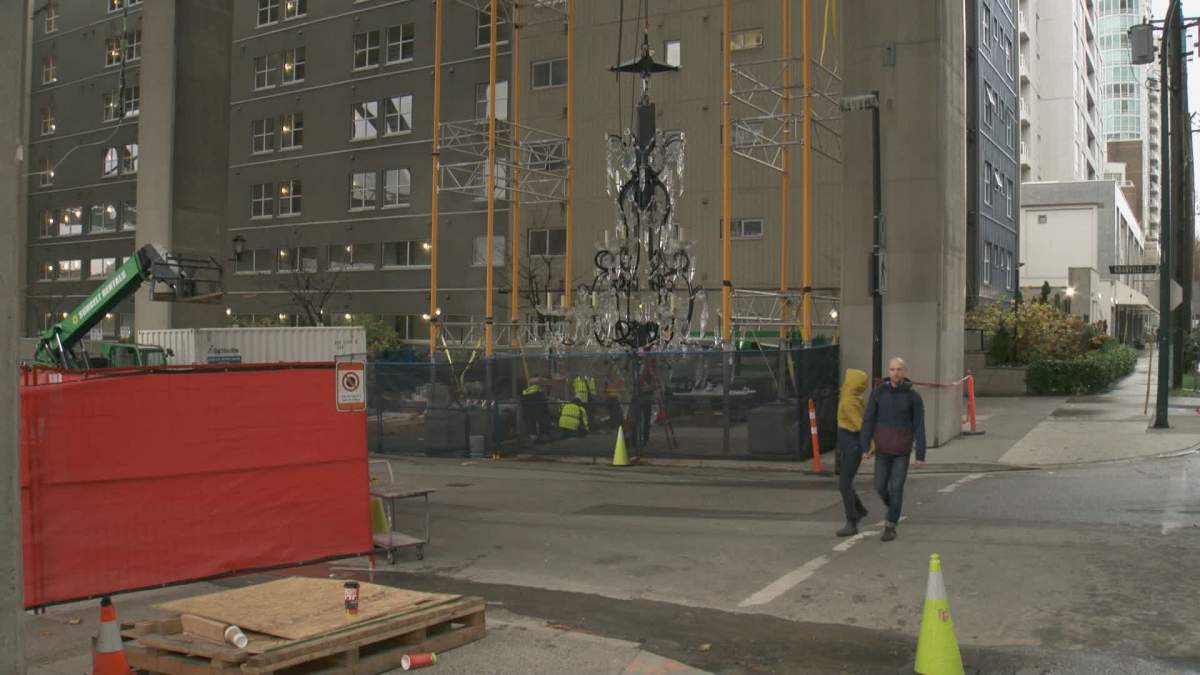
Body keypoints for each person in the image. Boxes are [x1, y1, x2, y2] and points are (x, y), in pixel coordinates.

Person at [860, 357, 926, 542]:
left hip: (901, 451)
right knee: (880, 486)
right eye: (892, 369)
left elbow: (919, 426)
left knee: (896, 487)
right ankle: (894, 507)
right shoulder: (879, 393)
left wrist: (920, 454)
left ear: (904, 372)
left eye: (899, 369)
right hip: (882, 449)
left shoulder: (913, 397)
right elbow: (869, 419)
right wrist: (865, 445)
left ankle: (891, 525)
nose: (895, 373)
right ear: (888, 371)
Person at [835, 368, 870, 537]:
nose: (844, 382)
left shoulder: (848, 401)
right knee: (845, 480)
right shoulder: (855, 398)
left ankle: (852, 521)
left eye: (848, 380)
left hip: (851, 445)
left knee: (844, 484)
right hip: (846, 444)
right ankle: (859, 510)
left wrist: (869, 445)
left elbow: (859, 425)